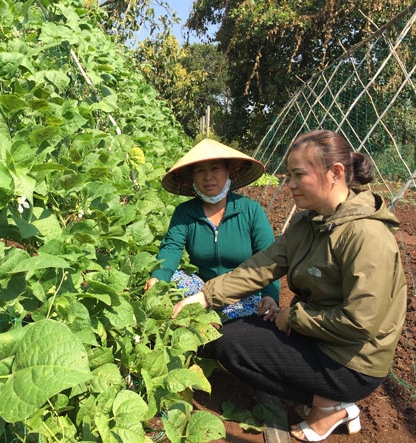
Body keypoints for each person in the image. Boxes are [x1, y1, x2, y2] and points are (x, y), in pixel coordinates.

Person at [172, 130, 407, 442]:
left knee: (234, 347)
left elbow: (359, 324)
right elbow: (265, 264)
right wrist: (205, 296)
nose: (290, 185)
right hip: (320, 335)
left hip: (353, 361)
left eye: (298, 176)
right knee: (230, 339)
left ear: (335, 173)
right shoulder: (308, 221)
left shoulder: (366, 236)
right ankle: (326, 400)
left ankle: (329, 405)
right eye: (288, 176)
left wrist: (293, 318)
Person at [144, 138, 280, 320]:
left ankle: (214, 322)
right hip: (202, 290)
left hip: (244, 292)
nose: (208, 177)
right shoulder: (185, 213)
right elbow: (171, 249)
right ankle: (208, 319)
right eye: (200, 171)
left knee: (252, 318)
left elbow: (269, 258)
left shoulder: (250, 210)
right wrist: (158, 278)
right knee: (173, 281)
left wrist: (270, 296)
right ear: (193, 178)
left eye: (215, 168)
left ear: (228, 172)